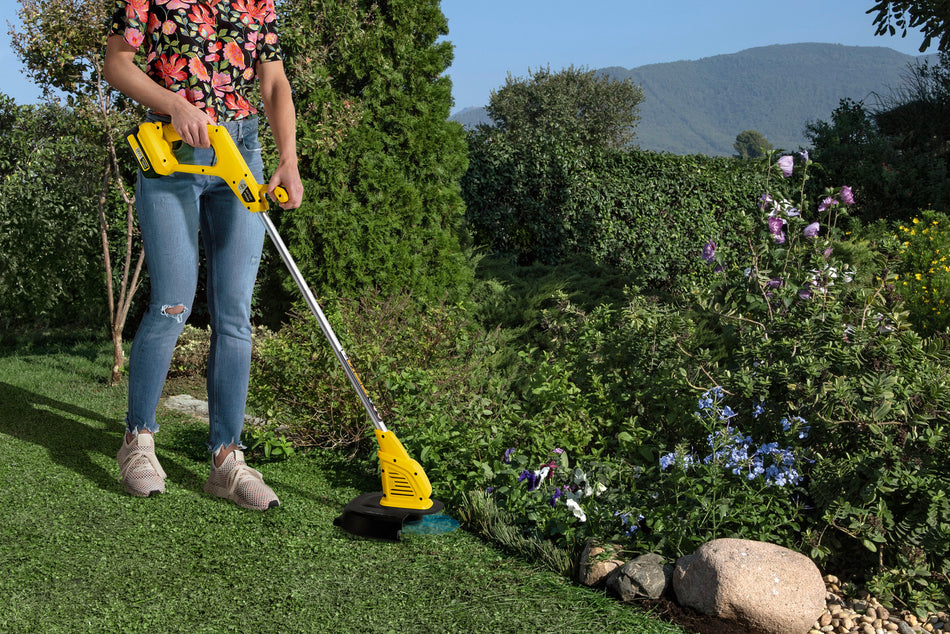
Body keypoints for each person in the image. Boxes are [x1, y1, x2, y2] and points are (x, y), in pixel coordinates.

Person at [104, 0, 304, 510]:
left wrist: (288, 159)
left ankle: (226, 459)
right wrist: (174, 102)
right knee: (173, 301)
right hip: (172, 151)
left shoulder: (257, 3)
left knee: (235, 314)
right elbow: (117, 64)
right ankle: (138, 441)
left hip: (241, 150)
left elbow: (275, 83)